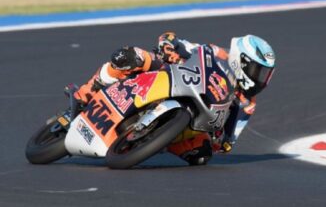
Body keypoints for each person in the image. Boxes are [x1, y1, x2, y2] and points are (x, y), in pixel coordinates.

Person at [74, 32, 275, 166]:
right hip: (172, 74)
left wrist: (222, 142)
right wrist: (169, 47)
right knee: (128, 56)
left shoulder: (247, 102)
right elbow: (172, 39)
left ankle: (155, 139)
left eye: (265, 74)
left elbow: (230, 138)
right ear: (241, 60)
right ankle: (87, 92)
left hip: (197, 111)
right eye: (258, 71)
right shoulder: (216, 53)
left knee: (201, 155)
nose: (260, 78)